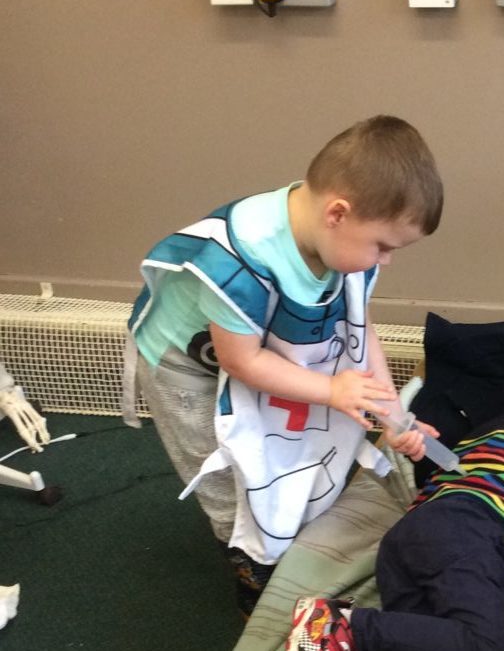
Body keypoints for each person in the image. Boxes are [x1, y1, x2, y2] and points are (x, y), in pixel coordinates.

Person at [122, 114, 443, 616]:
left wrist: (393, 415)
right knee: (228, 472)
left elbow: (359, 327)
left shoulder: (340, 241)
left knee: (282, 455)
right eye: (382, 246)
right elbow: (242, 361)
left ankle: (277, 534)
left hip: (252, 353)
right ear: (337, 213)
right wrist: (332, 391)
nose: (386, 261)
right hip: (185, 369)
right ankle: (248, 563)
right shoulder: (243, 259)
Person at [286, 412, 504, 651]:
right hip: (463, 526)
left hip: (413, 542)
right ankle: (337, 626)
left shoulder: (484, 435)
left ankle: (340, 632)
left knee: (443, 638)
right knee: (488, 642)